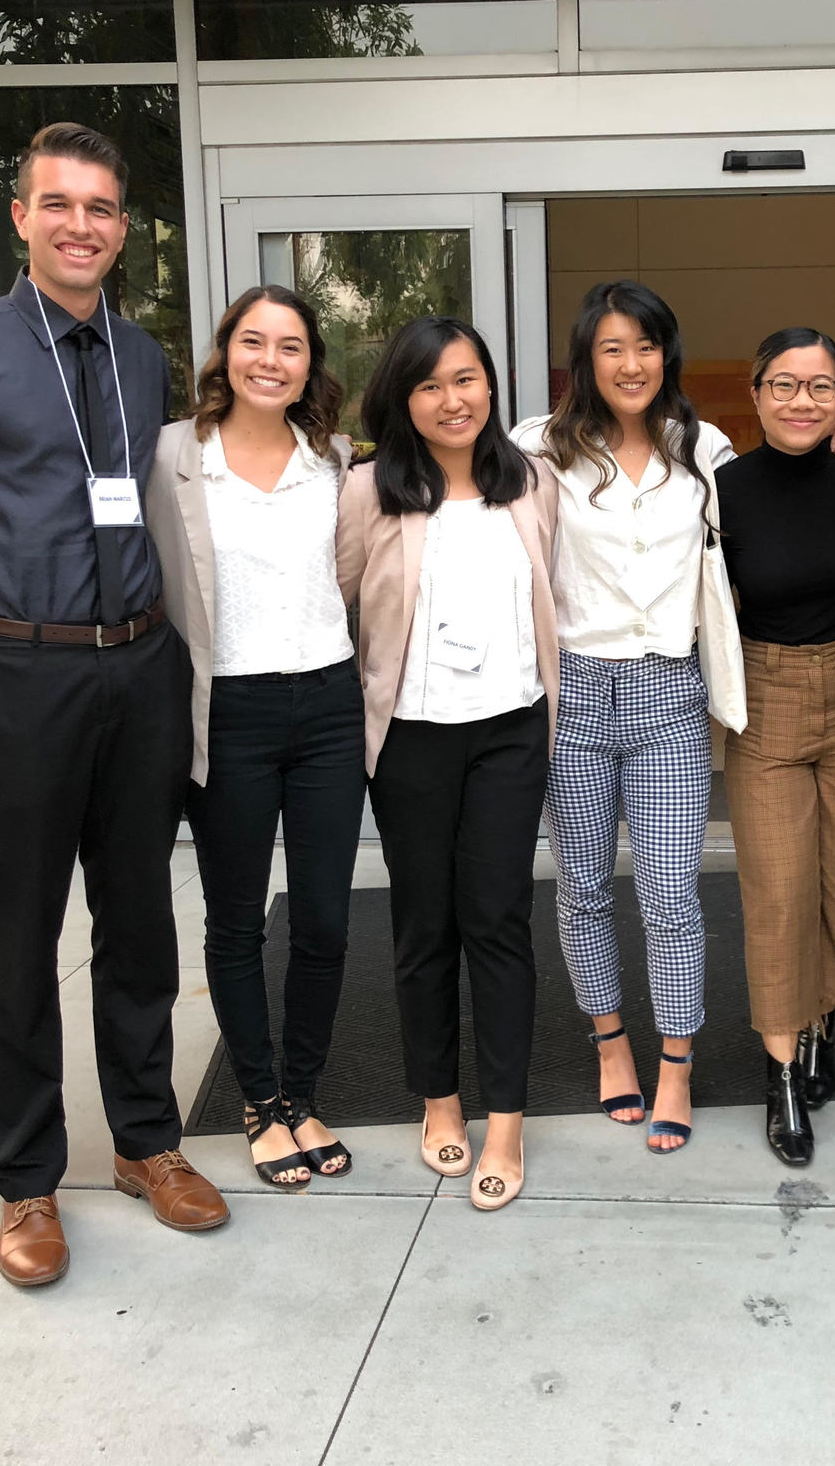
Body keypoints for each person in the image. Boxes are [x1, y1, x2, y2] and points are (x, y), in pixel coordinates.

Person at [0, 122, 226, 1288]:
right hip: (15, 678)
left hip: (138, 668)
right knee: (18, 937)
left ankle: (147, 1143)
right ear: (21, 218)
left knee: (139, 926)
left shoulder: (140, 359)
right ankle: (26, 1181)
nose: (82, 224)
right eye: (59, 204)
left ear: (125, 230)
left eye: (103, 208)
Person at [507, 281, 741, 1156]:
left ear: (665, 354)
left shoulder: (703, 448)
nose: (630, 364)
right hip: (572, 692)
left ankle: (676, 1058)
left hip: (667, 692)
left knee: (672, 889)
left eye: (645, 346)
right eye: (611, 348)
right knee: (581, 886)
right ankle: (611, 1041)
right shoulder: (538, 449)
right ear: (585, 360)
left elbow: (781, 478)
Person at [337, 316, 559, 1211]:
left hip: (510, 730)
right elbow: (337, 601)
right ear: (403, 397)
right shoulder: (366, 493)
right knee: (425, 924)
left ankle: (506, 1114)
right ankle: (441, 1098)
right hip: (412, 738)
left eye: (466, 379)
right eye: (429, 385)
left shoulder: (532, 483)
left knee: (499, 918)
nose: (451, 399)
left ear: (491, 387)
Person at [147, 284, 364, 1192]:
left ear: (312, 363)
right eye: (253, 342)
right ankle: (258, 1098)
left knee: (321, 918)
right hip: (224, 707)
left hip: (327, 706)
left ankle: (303, 1094)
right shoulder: (172, 455)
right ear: (224, 352)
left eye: (290, 346)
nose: (270, 360)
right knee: (235, 918)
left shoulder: (340, 460)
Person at [716, 327, 835, 1167]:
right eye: (783, 385)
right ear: (755, 395)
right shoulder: (722, 490)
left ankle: (824, 1021)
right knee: (781, 892)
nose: (801, 401)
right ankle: (781, 1069)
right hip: (767, 700)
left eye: (820, 387)